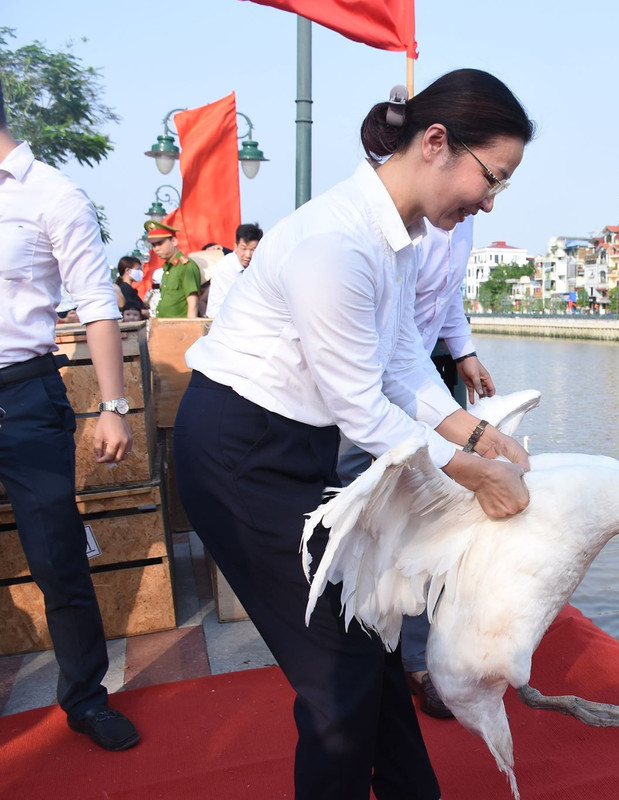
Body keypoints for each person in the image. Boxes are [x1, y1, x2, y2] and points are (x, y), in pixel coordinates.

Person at [173, 68, 534, 800]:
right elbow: (364, 409)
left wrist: (475, 434)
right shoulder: (336, 244)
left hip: (291, 449)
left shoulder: (396, 237)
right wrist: (472, 472)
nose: (488, 203)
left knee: (371, 640)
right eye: (490, 178)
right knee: (336, 682)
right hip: (238, 456)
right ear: (437, 143)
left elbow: (402, 359)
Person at [0, 81, 139, 751]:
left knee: (57, 559)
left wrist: (113, 406)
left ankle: (84, 697)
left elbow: (96, 302)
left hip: (23, 397)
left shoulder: (52, 194)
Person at [335, 214, 493, 719]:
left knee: (428, 521)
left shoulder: (461, 222)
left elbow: (442, 302)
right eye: (490, 179)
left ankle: (420, 659)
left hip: (416, 379)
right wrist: (467, 455)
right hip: (362, 392)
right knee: (360, 518)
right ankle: (360, 651)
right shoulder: (376, 229)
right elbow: (368, 371)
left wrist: (463, 350)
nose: (488, 202)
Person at [204, 222, 263, 319]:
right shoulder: (226, 267)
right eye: (243, 248)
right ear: (235, 247)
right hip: (218, 321)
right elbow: (241, 299)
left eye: (253, 249)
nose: (248, 255)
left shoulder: (256, 266)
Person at [144, 220, 202, 318]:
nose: (156, 248)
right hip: (164, 327)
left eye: (160, 243)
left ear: (174, 241)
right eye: (154, 245)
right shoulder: (168, 269)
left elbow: (193, 303)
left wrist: (190, 329)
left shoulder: (186, 266)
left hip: (179, 329)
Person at [115, 255, 148, 320]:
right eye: (138, 269)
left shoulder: (129, 288)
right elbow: (130, 309)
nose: (140, 272)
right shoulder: (125, 289)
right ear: (127, 271)